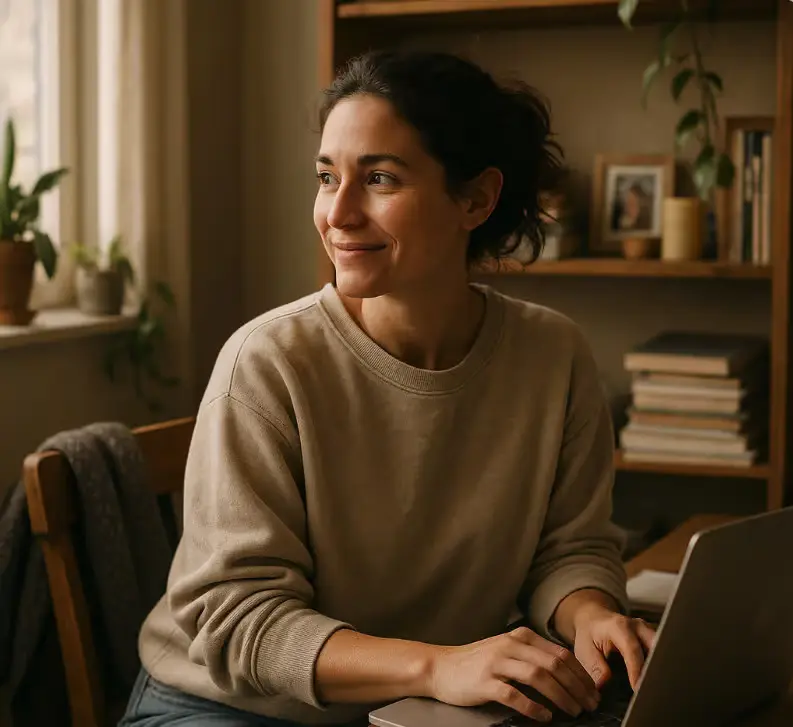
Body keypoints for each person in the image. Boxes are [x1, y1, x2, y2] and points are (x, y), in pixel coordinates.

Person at [119, 49, 655, 727]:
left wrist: (593, 614)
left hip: (418, 705)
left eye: (378, 178)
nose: (337, 212)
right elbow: (241, 619)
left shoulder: (553, 355)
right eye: (325, 177)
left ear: (476, 198)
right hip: (229, 706)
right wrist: (438, 663)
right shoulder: (266, 363)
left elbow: (569, 548)